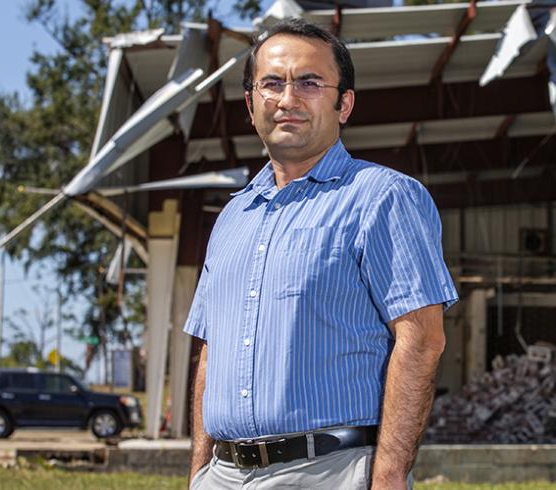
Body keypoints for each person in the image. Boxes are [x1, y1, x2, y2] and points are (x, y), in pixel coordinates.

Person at [183, 17, 458, 490]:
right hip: (222, 477)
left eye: (309, 82)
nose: (287, 99)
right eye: (271, 84)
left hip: (328, 472)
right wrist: (199, 473)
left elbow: (421, 341)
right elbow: (212, 353)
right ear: (250, 105)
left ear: (343, 103)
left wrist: (389, 478)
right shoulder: (232, 218)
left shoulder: (381, 198)